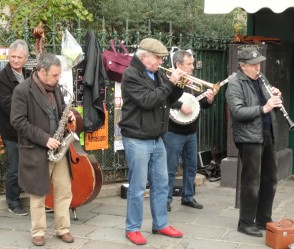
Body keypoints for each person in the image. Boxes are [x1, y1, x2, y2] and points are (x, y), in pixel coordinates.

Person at [119, 38, 186, 245]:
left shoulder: (155, 73)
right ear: (144, 55)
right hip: (137, 138)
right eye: (157, 58)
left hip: (157, 138)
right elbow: (148, 101)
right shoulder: (131, 75)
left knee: (161, 184)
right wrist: (170, 82)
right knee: (138, 187)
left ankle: (160, 224)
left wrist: (179, 84)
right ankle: (132, 228)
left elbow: (166, 99)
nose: (160, 62)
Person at [10, 53, 75, 246]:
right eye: (55, 75)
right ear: (42, 72)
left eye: (59, 75)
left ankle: (63, 228)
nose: (58, 79)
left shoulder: (54, 87)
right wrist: (44, 139)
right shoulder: (22, 90)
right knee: (37, 193)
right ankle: (38, 231)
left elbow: (60, 108)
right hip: (37, 149)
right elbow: (18, 121)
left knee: (64, 190)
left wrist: (68, 114)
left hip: (59, 149)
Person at [225, 46, 282, 237]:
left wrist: (276, 97)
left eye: (259, 64)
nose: (258, 68)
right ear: (243, 65)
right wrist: (264, 108)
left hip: (267, 134)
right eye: (254, 65)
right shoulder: (235, 83)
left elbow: (269, 103)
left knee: (270, 179)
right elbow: (238, 112)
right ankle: (246, 222)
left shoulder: (262, 79)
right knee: (251, 181)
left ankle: (264, 218)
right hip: (248, 137)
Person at [163, 50, 214, 212]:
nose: (193, 67)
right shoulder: (168, 80)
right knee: (170, 168)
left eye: (192, 63)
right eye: (189, 64)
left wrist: (209, 100)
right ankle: (165, 199)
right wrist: (179, 105)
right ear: (178, 65)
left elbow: (199, 103)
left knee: (191, 166)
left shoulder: (191, 83)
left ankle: (188, 197)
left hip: (191, 131)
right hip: (173, 132)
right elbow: (162, 99)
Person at [0, 39, 30, 216]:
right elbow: (9, 106)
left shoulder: (30, 74)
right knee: (14, 167)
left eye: (19, 57)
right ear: (8, 57)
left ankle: (36, 197)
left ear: (26, 58)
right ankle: (13, 202)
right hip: (11, 130)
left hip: (29, 129)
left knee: (31, 165)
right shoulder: (1, 78)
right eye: (13, 56)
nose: (15, 60)